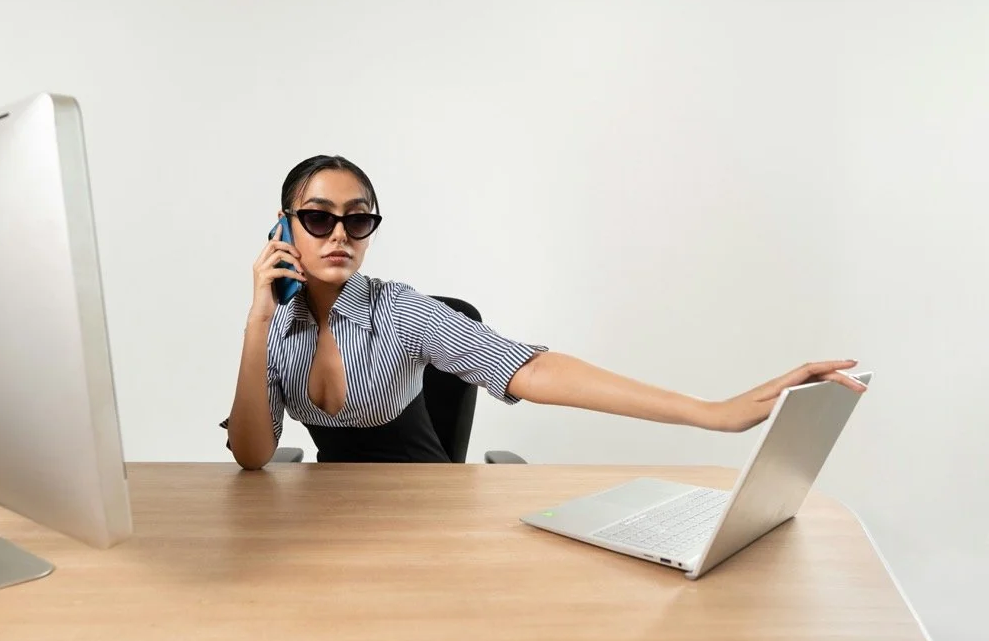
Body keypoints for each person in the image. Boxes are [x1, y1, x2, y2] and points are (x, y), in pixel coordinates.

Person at [223, 154, 865, 470]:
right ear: (285, 226)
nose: (340, 232)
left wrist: (714, 413)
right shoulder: (274, 329)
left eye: (358, 218)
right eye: (318, 217)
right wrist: (257, 322)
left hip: (425, 513)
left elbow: (530, 368)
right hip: (328, 520)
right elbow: (253, 456)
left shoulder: (401, 313)